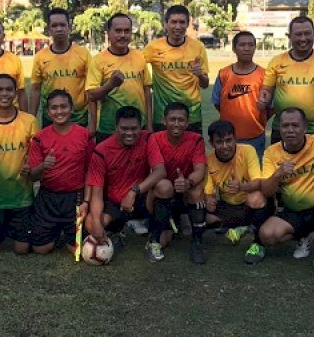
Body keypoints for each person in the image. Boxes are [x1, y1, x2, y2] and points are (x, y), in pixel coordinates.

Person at [259, 108, 314, 277]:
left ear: (305, 128)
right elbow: (266, 191)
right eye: (285, 126)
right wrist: (277, 174)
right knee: (267, 235)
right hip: (294, 211)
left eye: (295, 125)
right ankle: (305, 235)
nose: (290, 130)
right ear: (280, 129)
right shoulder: (272, 152)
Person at [86, 106, 167, 251]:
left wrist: (133, 192)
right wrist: (97, 223)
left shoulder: (148, 138)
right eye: (124, 128)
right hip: (115, 202)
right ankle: (121, 226)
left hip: (140, 197)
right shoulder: (101, 150)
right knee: (91, 224)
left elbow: (160, 171)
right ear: (116, 127)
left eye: (134, 128)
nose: (129, 133)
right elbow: (96, 193)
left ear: (140, 126)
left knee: (164, 186)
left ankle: (154, 236)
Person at [28, 89, 94, 255]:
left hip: (74, 197)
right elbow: (32, 176)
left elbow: (90, 171)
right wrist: (44, 165)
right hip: (48, 197)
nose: (59, 112)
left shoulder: (85, 135)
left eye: (63, 107)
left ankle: (69, 232)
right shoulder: (39, 137)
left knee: (77, 250)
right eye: (54, 108)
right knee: (41, 249)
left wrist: (86, 200)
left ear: (72, 108)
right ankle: (55, 232)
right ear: (48, 111)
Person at [0, 74, 39, 255]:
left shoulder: (29, 122)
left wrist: (31, 165)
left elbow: (35, 155)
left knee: (22, 249)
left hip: (21, 197)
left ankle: (14, 228)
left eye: (8, 89)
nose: (4, 94)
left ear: (16, 93)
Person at [203, 120, 275, 265]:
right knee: (206, 216)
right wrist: (209, 199)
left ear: (235, 138)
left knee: (256, 198)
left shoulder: (248, 151)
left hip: (250, 204)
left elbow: (258, 182)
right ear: (212, 143)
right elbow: (208, 191)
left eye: (229, 140)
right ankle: (245, 227)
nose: (225, 146)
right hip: (229, 206)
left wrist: (241, 187)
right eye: (219, 142)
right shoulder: (208, 160)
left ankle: (257, 242)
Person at [145, 102, 207, 263]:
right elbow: (158, 172)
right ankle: (155, 239)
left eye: (181, 120)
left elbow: (200, 170)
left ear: (187, 122)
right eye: (172, 119)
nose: (177, 123)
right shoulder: (154, 139)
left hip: (184, 192)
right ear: (164, 121)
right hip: (161, 196)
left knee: (197, 190)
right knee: (164, 186)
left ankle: (197, 241)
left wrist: (188, 182)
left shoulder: (196, 140)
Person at [258, 16, 314, 144]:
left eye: (307, 33)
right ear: (289, 37)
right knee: (282, 164)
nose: (303, 39)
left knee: (313, 165)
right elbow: (267, 90)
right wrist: (263, 99)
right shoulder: (277, 61)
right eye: (298, 34)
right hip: (283, 129)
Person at [86, 13, 153, 143]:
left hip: (137, 127)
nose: (123, 35)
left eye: (127, 31)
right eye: (118, 31)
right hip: (109, 128)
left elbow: (147, 92)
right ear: (108, 33)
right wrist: (110, 85)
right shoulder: (98, 61)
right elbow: (91, 95)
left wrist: (149, 124)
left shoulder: (139, 57)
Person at [144, 4, 209, 133]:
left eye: (182, 22)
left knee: (191, 151)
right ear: (166, 24)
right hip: (163, 115)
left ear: (187, 24)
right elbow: (135, 64)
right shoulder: (153, 48)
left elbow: (205, 84)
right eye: (173, 22)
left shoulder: (198, 47)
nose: (178, 26)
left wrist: (200, 75)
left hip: (191, 114)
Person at [29, 7, 90, 127]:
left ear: (69, 28)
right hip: (50, 119)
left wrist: (92, 122)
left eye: (63, 25)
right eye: (55, 25)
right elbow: (35, 90)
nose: (59, 29)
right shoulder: (40, 57)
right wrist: (31, 121)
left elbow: (91, 90)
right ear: (49, 30)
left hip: (78, 119)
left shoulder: (83, 54)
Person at [212, 31, 267, 159]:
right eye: (242, 45)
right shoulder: (224, 74)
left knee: (254, 173)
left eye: (250, 45)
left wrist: (257, 119)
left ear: (255, 47)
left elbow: (270, 106)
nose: (247, 48)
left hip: (255, 135)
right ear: (234, 48)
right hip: (228, 136)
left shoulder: (264, 74)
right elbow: (217, 102)